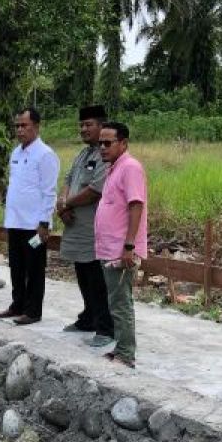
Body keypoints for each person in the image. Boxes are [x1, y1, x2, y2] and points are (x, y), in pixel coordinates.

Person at [0, 107, 59, 326]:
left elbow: (49, 192)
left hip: (34, 225)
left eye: (24, 125)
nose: (20, 130)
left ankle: (33, 311)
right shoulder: (16, 153)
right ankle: (17, 305)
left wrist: (44, 223)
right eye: (17, 126)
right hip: (15, 221)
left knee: (34, 269)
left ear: (36, 127)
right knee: (17, 267)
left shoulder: (45, 155)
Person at [56, 104, 113, 347]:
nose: (83, 129)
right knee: (82, 273)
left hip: (94, 228)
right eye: (81, 125)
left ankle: (105, 327)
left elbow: (94, 191)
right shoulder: (83, 154)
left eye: (89, 124)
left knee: (97, 277)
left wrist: (67, 203)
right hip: (75, 226)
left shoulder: (105, 156)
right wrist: (63, 204)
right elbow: (69, 179)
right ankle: (88, 317)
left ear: (101, 126)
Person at [94, 121, 147, 368]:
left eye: (108, 143)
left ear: (123, 143)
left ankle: (126, 353)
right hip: (110, 248)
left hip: (121, 250)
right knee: (115, 300)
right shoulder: (114, 168)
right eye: (100, 143)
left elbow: (136, 205)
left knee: (120, 302)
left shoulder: (130, 168)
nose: (102, 147)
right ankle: (121, 348)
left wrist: (129, 246)